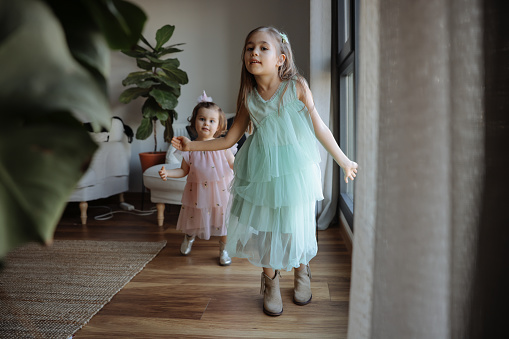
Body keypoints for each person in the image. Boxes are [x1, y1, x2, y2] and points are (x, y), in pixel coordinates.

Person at [172, 26, 358, 316]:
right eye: (249, 48)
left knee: (295, 223)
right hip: (260, 168)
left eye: (262, 48)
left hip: (294, 166)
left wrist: (343, 160)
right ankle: (270, 281)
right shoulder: (248, 95)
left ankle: (301, 271)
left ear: (281, 58)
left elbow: (319, 126)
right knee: (268, 226)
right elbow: (229, 139)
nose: (254, 52)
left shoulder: (296, 85)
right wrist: (190, 147)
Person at [159, 92, 236, 266]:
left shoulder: (223, 146)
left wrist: (246, 167)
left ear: (218, 126)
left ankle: (224, 249)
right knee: (194, 218)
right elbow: (183, 171)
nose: (206, 123)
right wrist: (168, 173)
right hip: (197, 192)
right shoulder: (190, 148)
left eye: (211, 121)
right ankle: (189, 237)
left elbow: (233, 165)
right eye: (202, 119)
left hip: (221, 192)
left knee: (223, 221)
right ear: (195, 121)